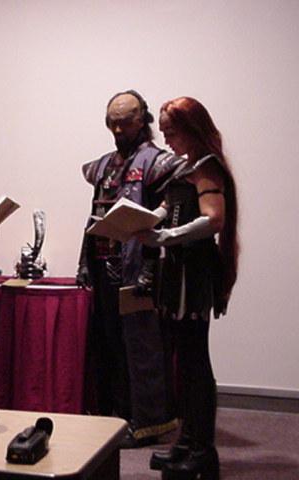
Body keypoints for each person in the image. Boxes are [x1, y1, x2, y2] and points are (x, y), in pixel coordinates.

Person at [136, 97, 238, 479]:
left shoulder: (207, 166)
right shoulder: (186, 166)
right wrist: (137, 222)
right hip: (178, 269)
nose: (166, 139)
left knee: (195, 362)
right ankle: (186, 442)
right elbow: (168, 206)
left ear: (191, 129)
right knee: (183, 362)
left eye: (171, 132)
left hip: (194, 271)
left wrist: (165, 236)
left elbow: (214, 219)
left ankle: (202, 450)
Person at [77, 90, 181, 447]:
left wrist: (151, 268)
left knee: (142, 346)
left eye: (126, 121)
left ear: (142, 120)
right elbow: (94, 213)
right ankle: (116, 414)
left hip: (139, 266)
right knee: (109, 344)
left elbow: (165, 217)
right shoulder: (102, 166)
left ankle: (149, 421)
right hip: (104, 265)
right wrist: (84, 262)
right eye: (113, 123)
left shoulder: (158, 163)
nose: (119, 129)